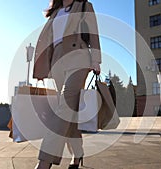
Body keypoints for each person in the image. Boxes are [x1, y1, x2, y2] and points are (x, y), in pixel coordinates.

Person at [32, 0, 101, 168]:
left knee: (64, 108)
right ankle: (78, 155)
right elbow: (47, 41)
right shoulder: (55, 12)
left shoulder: (84, 5)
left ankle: (44, 161)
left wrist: (96, 60)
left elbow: (93, 33)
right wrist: (42, 70)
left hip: (79, 57)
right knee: (69, 113)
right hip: (57, 62)